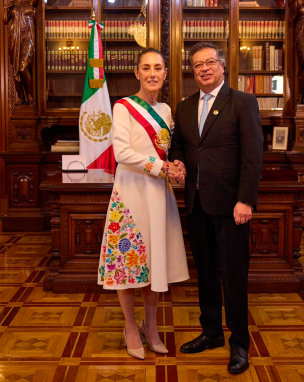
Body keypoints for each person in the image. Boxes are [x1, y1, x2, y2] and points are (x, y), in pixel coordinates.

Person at [169, 42, 263, 374]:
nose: (205, 68)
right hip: (195, 204)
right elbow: (179, 144)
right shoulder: (184, 107)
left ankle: (239, 342)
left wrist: (246, 200)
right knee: (205, 273)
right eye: (198, 65)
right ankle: (211, 333)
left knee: (234, 276)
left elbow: (253, 156)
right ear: (192, 71)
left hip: (231, 206)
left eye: (210, 62)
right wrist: (177, 161)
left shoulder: (243, 102)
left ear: (222, 66)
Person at [97, 48, 189, 360]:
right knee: (129, 265)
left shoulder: (165, 110)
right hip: (131, 194)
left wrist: (175, 166)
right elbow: (121, 153)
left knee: (155, 264)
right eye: (146, 68)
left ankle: (151, 326)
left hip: (159, 196)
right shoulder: (122, 107)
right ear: (137, 73)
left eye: (158, 68)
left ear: (165, 73)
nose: (152, 73)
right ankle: (130, 327)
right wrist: (161, 166)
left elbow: (169, 150)